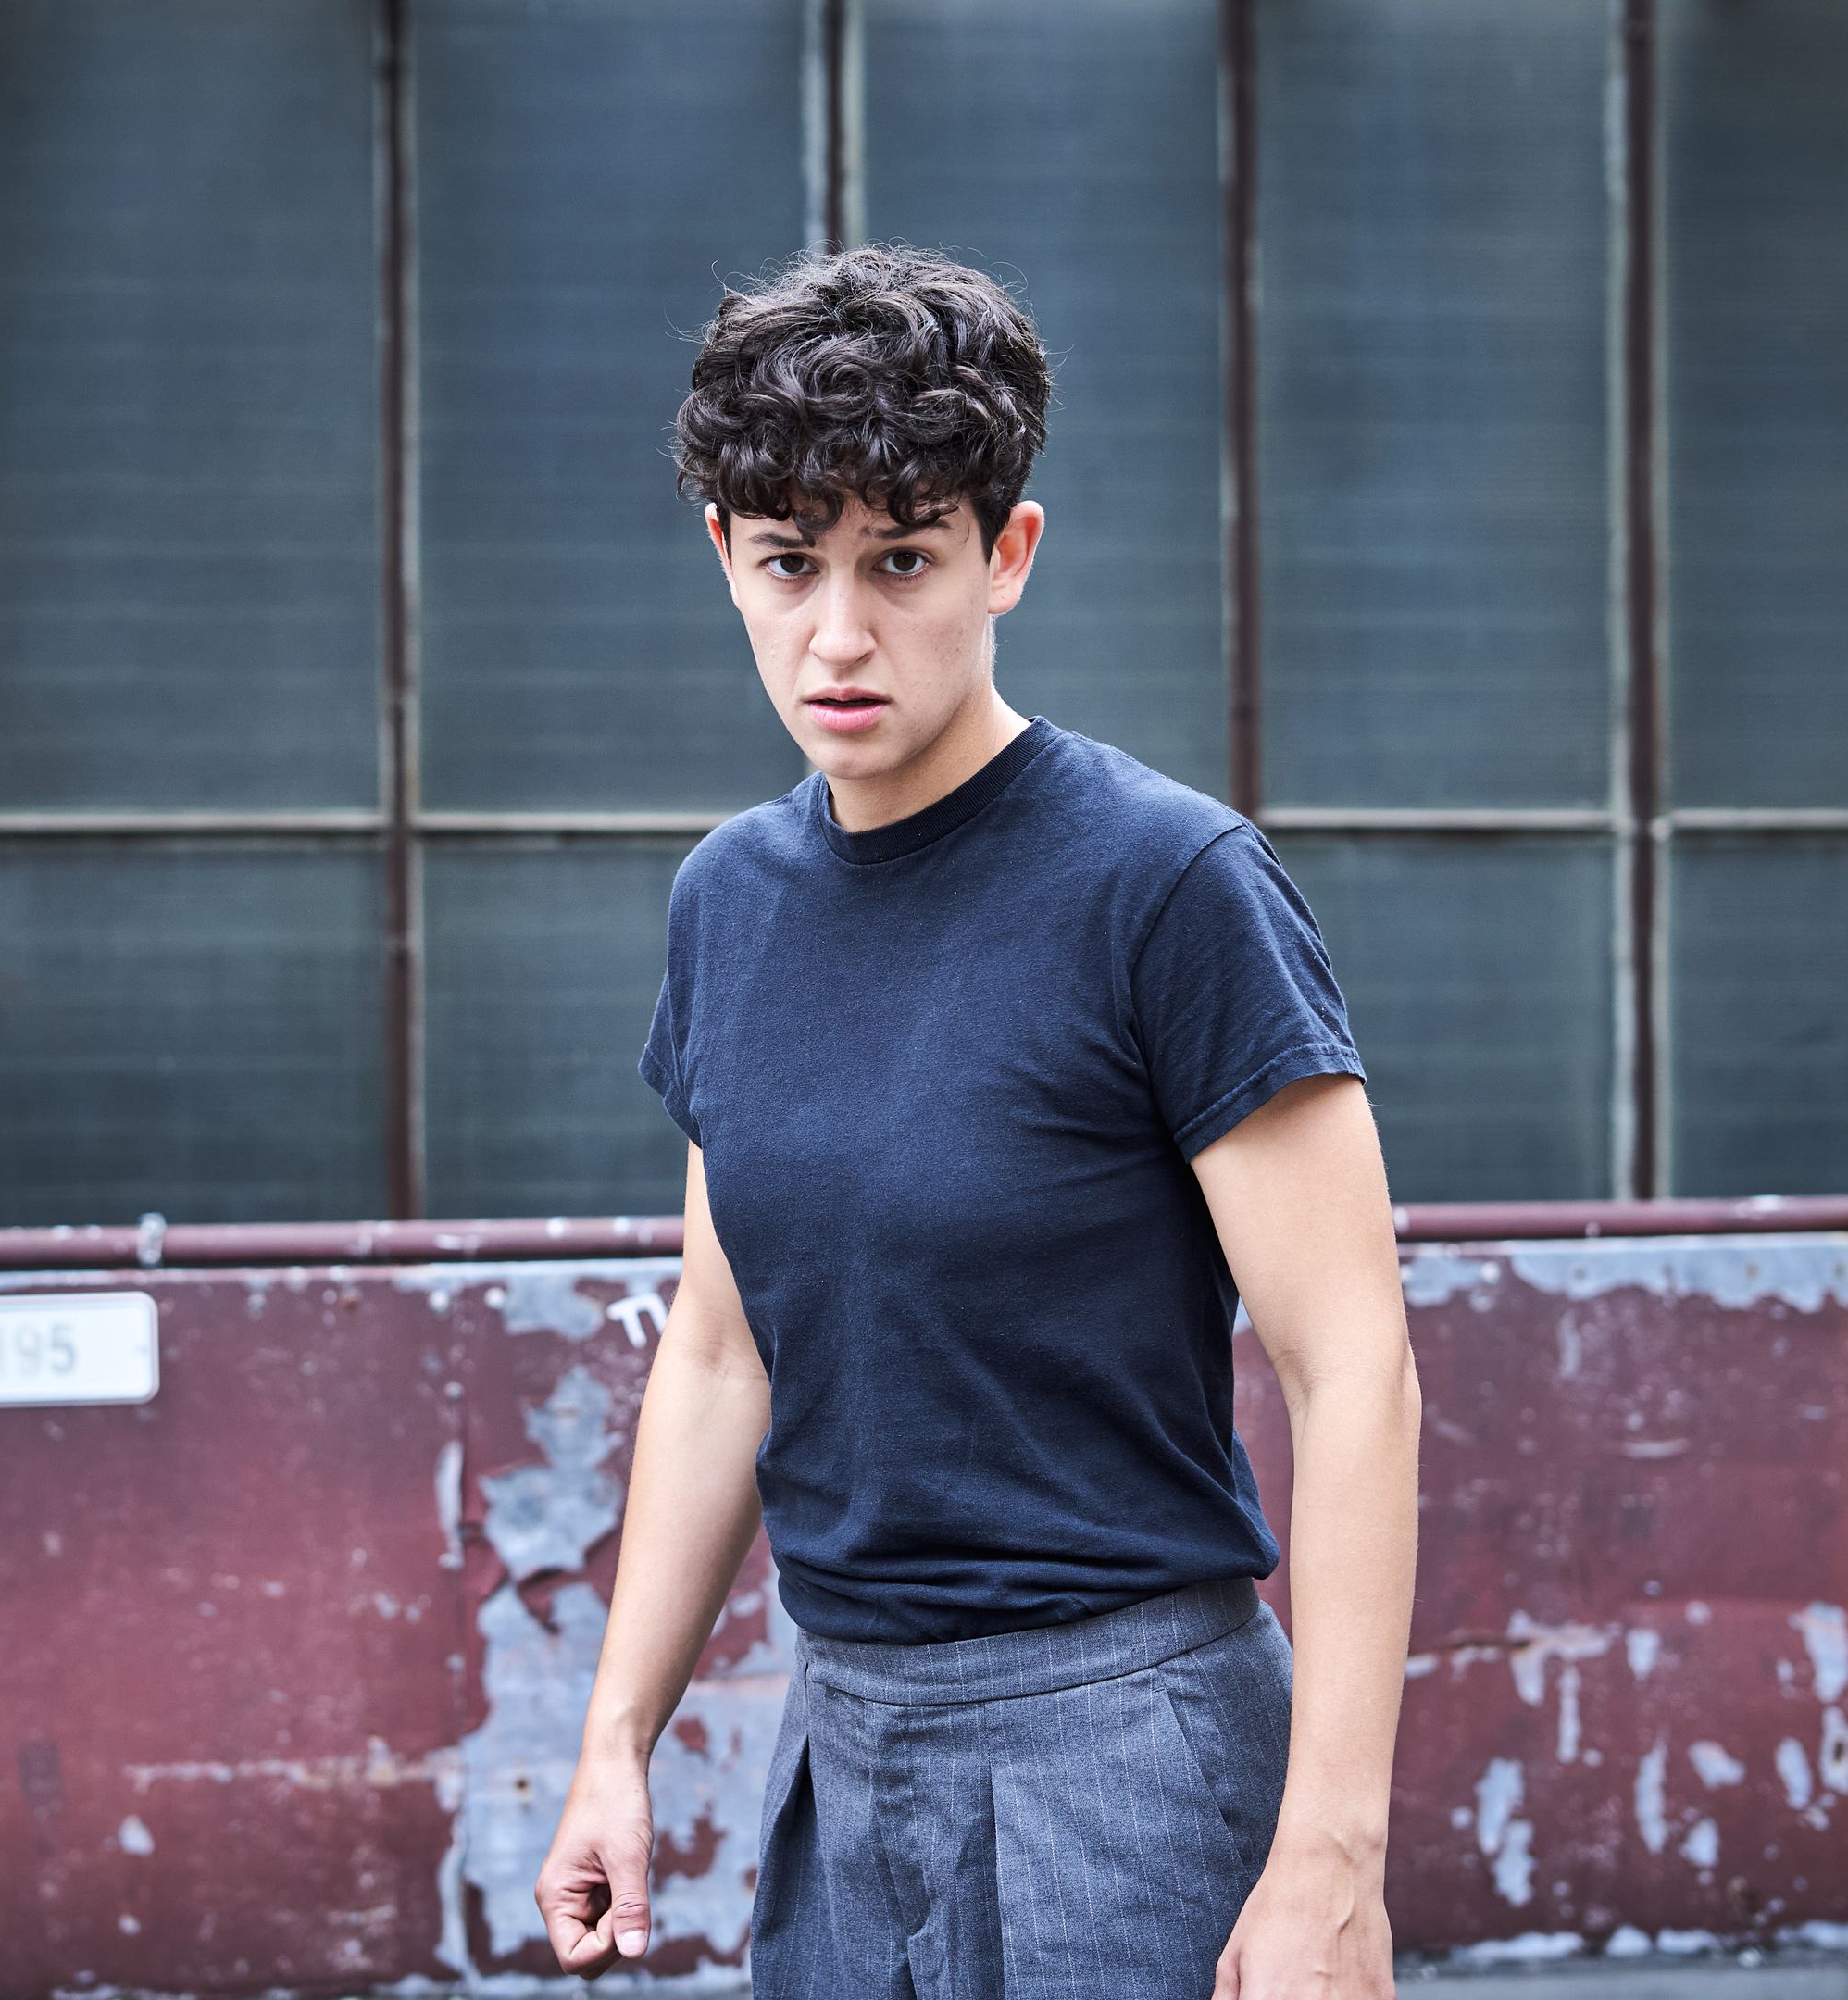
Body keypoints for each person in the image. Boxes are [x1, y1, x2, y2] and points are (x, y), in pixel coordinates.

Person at [531, 244, 1417, 1999]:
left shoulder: (1170, 883)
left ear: (1006, 555)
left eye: (903, 560)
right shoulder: (729, 902)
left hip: (1130, 1748)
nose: (837, 635)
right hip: (845, 1741)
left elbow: (1354, 1373)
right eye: (789, 563)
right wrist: (616, 1738)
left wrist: (1332, 1857)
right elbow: (721, 1348)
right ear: (725, 556)